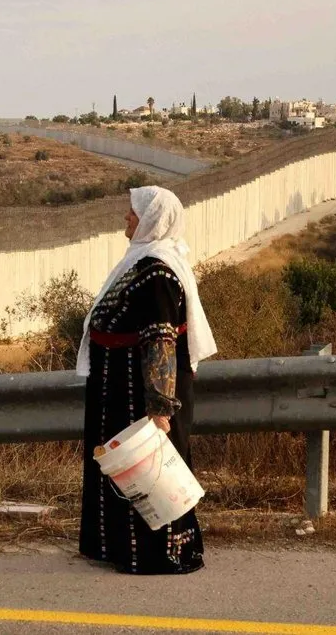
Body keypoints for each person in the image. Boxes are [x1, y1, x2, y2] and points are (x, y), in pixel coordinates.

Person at [74, 185, 217, 575]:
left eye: (133, 212)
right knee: (121, 466)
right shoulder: (140, 262)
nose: (127, 217)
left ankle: (157, 554)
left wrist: (159, 409)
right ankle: (115, 547)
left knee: (147, 470)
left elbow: (161, 342)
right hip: (117, 387)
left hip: (138, 392)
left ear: (152, 220)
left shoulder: (159, 272)